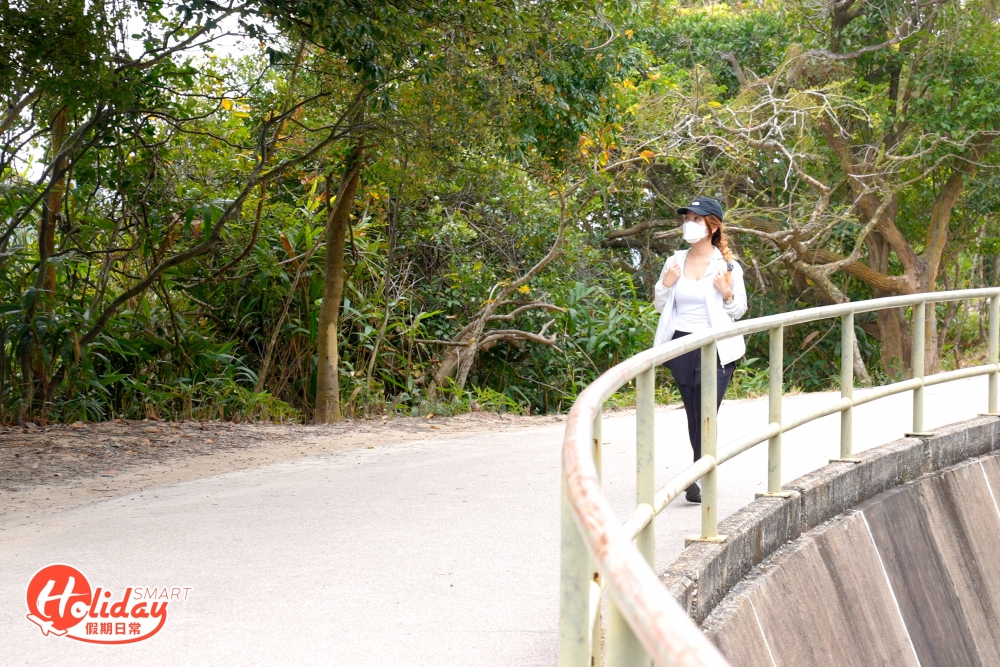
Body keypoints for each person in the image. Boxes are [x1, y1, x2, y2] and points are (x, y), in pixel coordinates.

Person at [652, 197, 748, 503]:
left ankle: (700, 475)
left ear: (713, 225)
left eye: (697, 219)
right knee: (695, 415)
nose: (689, 224)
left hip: (716, 348)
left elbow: (739, 311)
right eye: (687, 219)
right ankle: (698, 473)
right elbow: (660, 306)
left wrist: (727, 292)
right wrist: (665, 285)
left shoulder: (728, 266)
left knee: (709, 412)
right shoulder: (674, 261)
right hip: (681, 344)